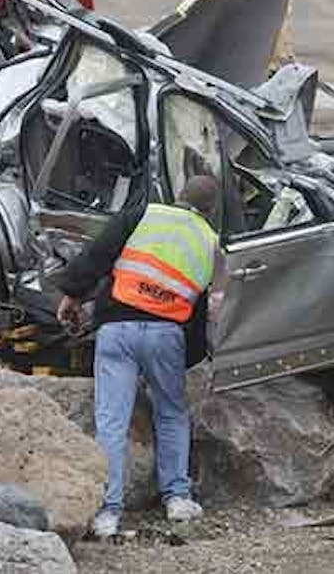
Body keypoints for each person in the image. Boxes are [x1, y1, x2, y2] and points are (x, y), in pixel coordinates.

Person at [56, 175, 221, 538]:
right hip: (166, 334)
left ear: (179, 195)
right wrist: (191, 356)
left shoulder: (145, 214)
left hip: (117, 329)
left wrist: (72, 294)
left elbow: (99, 253)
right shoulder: (210, 242)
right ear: (210, 210)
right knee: (172, 412)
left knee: (111, 420)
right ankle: (177, 498)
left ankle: (107, 513)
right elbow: (204, 308)